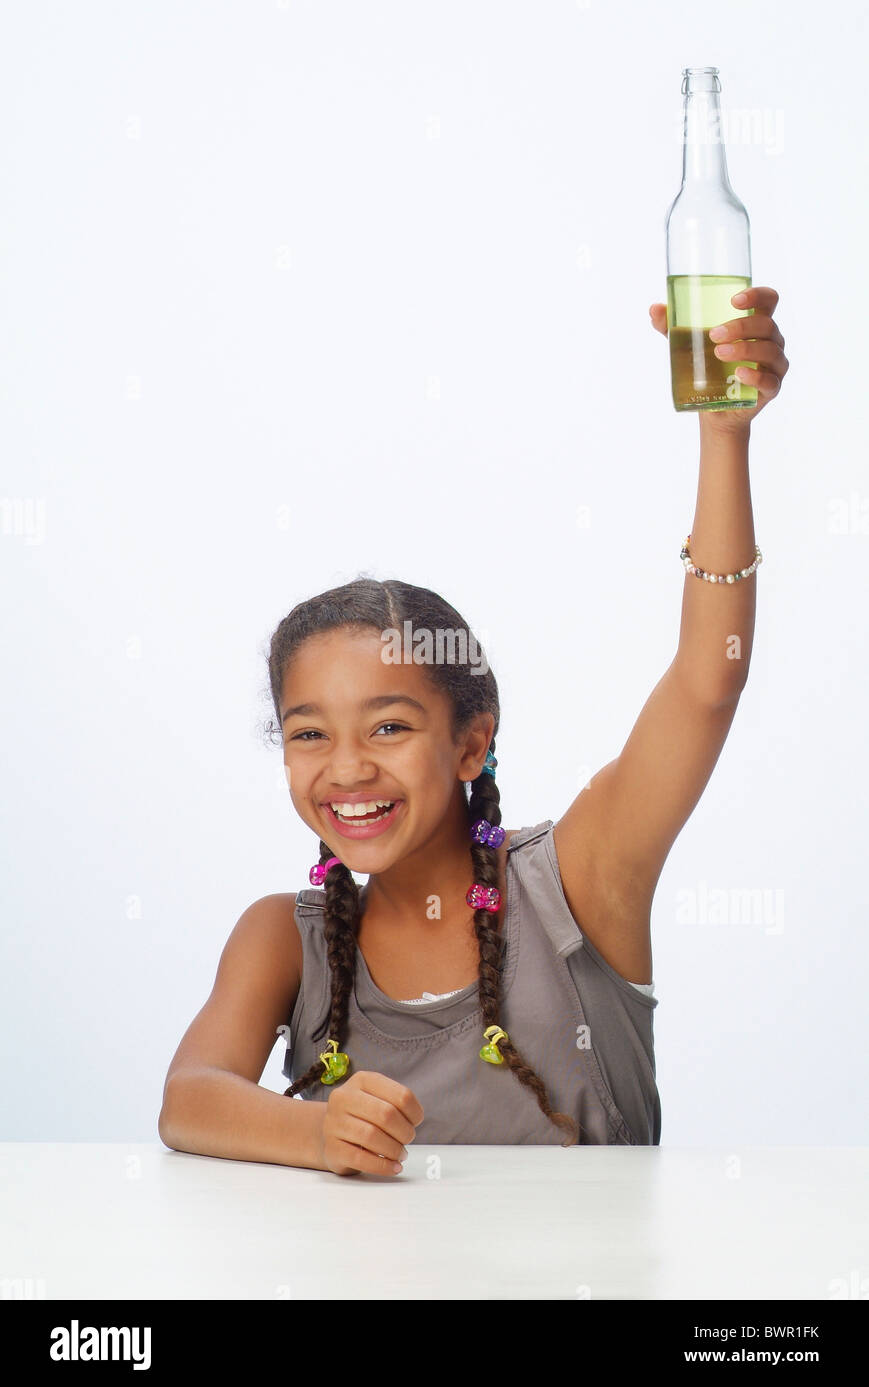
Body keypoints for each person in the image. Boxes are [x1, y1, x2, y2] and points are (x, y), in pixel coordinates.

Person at [158, 287, 788, 1177]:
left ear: (469, 743)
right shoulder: (281, 938)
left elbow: (707, 680)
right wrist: (313, 1132)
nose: (346, 768)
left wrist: (724, 437)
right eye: (308, 735)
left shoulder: (578, 884)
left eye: (387, 725)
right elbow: (189, 1097)